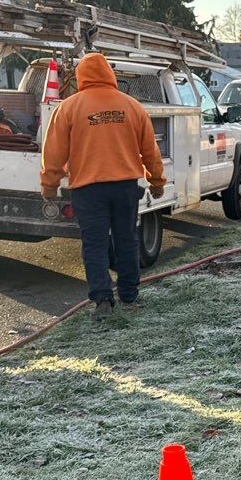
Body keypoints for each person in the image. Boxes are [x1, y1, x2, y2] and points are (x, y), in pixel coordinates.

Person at [40, 52, 166, 321]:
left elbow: (54, 154)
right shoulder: (132, 106)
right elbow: (150, 150)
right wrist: (156, 181)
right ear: (110, 74)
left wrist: (49, 186)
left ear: (80, 77)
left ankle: (102, 299)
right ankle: (129, 295)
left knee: (94, 245)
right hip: (125, 187)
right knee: (126, 240)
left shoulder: (69, 108)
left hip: (88, 189)